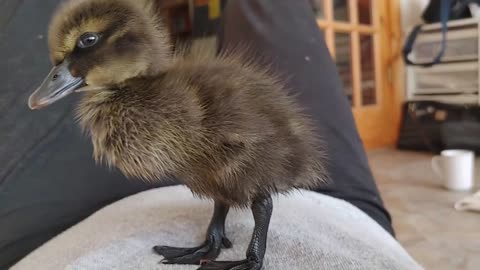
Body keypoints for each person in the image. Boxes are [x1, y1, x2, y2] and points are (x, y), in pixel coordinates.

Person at [0, 0, 393, 268]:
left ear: (132, 39)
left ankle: (255, 253)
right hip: (352, 211)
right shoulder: (162, 102)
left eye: (85, 45)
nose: (63, 71)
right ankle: (215, 236)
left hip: (40, 242)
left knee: (236, 172)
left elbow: (246, 144)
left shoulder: (173, 103)